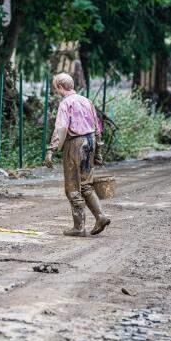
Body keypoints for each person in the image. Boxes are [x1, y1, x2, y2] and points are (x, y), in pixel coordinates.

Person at [44, 73, 111, 237]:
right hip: (90, 142)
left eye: (55, 88)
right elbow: (97, 128)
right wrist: (98, 152)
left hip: (75, 144)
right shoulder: (86, 101)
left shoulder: (66, 104)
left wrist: (51, 150)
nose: (56, 90)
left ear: (60, 86)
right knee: (86, 184)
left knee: (73, 187)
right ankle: (100, 216)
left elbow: (61, 128)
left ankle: (79, 227)